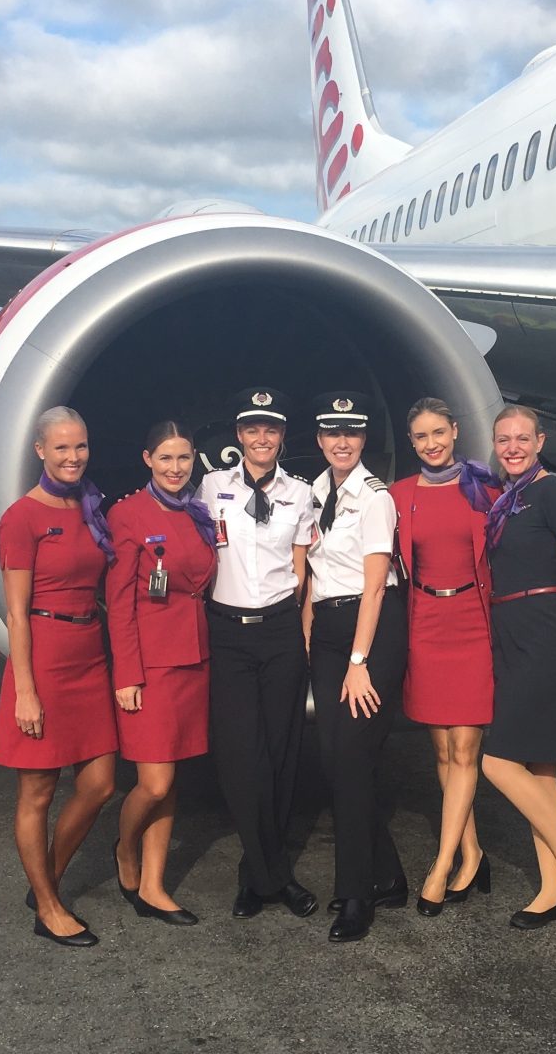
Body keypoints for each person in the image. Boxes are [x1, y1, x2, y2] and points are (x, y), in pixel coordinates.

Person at [0, 406, 118, 948]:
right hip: (41, 657)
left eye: (80, 447)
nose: (73, 457)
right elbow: (16, 613)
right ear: (39, 449)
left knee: (100, 784)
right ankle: (47, 905)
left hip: (89, 652)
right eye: (61, 448)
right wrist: (25, 691)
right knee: (38, 793)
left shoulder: (90, 507)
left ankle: (45, 873)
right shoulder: (22, 517)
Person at [196, 387, 318, 921]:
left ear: (282, 437)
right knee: (243, 757)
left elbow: (303, 569)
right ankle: (274, 877)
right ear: (239, 435)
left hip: (279, 630)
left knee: (283, 755)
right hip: (227, 632)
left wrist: (305, 634)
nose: (261, 437)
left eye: (271, 429)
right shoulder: (209, 487)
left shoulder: (302, 493)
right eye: (252, 428)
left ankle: (259, 876)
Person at [481, 404, 556, 930]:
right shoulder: (511, 496)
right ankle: (552, 888)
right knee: (539, 766)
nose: (512, 447)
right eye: (504, 439)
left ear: (540, 441)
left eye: (522, 439)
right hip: (513, 632)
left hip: (545, 632)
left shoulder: (550, 492)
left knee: (498, 761)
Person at [390, 397, 500, 917]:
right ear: (411, 443)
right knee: (440, 753)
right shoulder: (399, 495)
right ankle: (473, 851)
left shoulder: (486, 491)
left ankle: (441, 864)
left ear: (455, 431)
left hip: (472, 626)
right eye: (421, 437)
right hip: (425, 625)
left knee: (464, 751)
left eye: (439, 432)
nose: (431, 443)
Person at [304, 392, 408, 942]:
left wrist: (359, 661)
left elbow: (373, 587)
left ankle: (355, 895)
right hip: (327, 629)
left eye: (352, 433)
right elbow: (314, 578)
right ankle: (388, 875)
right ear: (320, 440)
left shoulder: (374, 498)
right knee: (332, 758)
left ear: (364, 440)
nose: (341, 442)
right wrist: (310, 642)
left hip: (371, 632)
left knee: (350, 760)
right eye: (331, 433)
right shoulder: (319, 491)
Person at [106, 421, 217, 927]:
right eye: (166, 459)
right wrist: (127, 674)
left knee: (170, 780)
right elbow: (120, 602)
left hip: (192, 659)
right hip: (149, 665)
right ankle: (125, 850)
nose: (176, 469)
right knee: (153, 783)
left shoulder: (198, 512)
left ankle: (153, 885)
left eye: (185, 459)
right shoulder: (128, 514)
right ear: (147, 458)